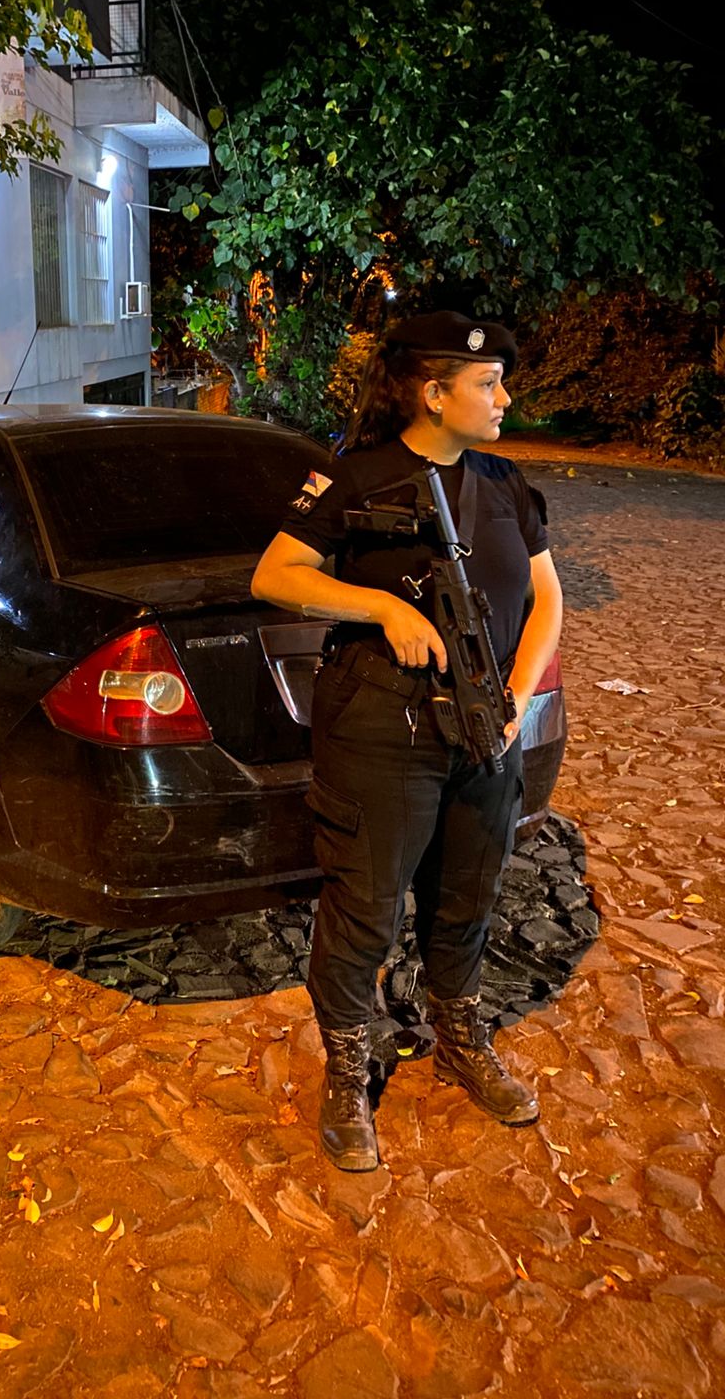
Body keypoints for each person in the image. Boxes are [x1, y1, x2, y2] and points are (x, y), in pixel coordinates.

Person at [251, 311, 564, 1171]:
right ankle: (349, 1068)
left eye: (500, 379)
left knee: (470, 894)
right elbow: (274, 574)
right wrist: (385, 606)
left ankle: (458, 1033)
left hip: (485, 725)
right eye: (487, 383)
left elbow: (548, 601)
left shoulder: (504, 484)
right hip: (382, 730)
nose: (505, 397)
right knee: (366, 907)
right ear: (434, 393)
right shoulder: (353, 477)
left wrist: (518, 699)